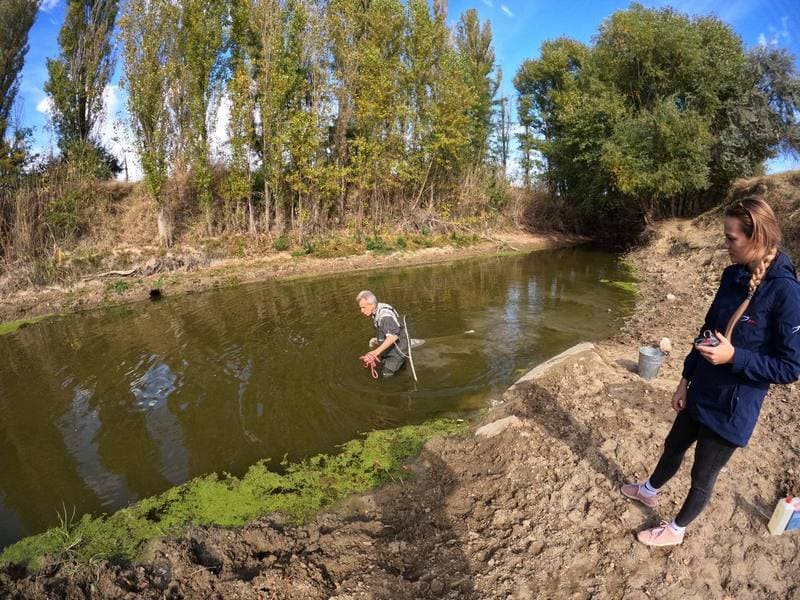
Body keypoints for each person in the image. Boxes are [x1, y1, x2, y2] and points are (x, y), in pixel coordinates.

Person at [621, 197, 800, 547]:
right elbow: (706, 329)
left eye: (732, 238)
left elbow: (791, 367)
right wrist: (685, 379)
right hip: (701, 388)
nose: (725, 244)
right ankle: (648, 490)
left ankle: (675, 531)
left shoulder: (786, 292)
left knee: (702, 476)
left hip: (732, 408)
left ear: (758, 238)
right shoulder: (732, 275)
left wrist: (735, 357)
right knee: (673, 446)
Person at [356, 290, 409, 378]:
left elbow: (393, 337)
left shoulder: (385, 317)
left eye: (363, 307)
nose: (361, 311)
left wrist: (375, 353)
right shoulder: (379, 307)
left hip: (397, 351)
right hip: (391, 348)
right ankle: (402, 366)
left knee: (386, 375)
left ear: (371, 304)